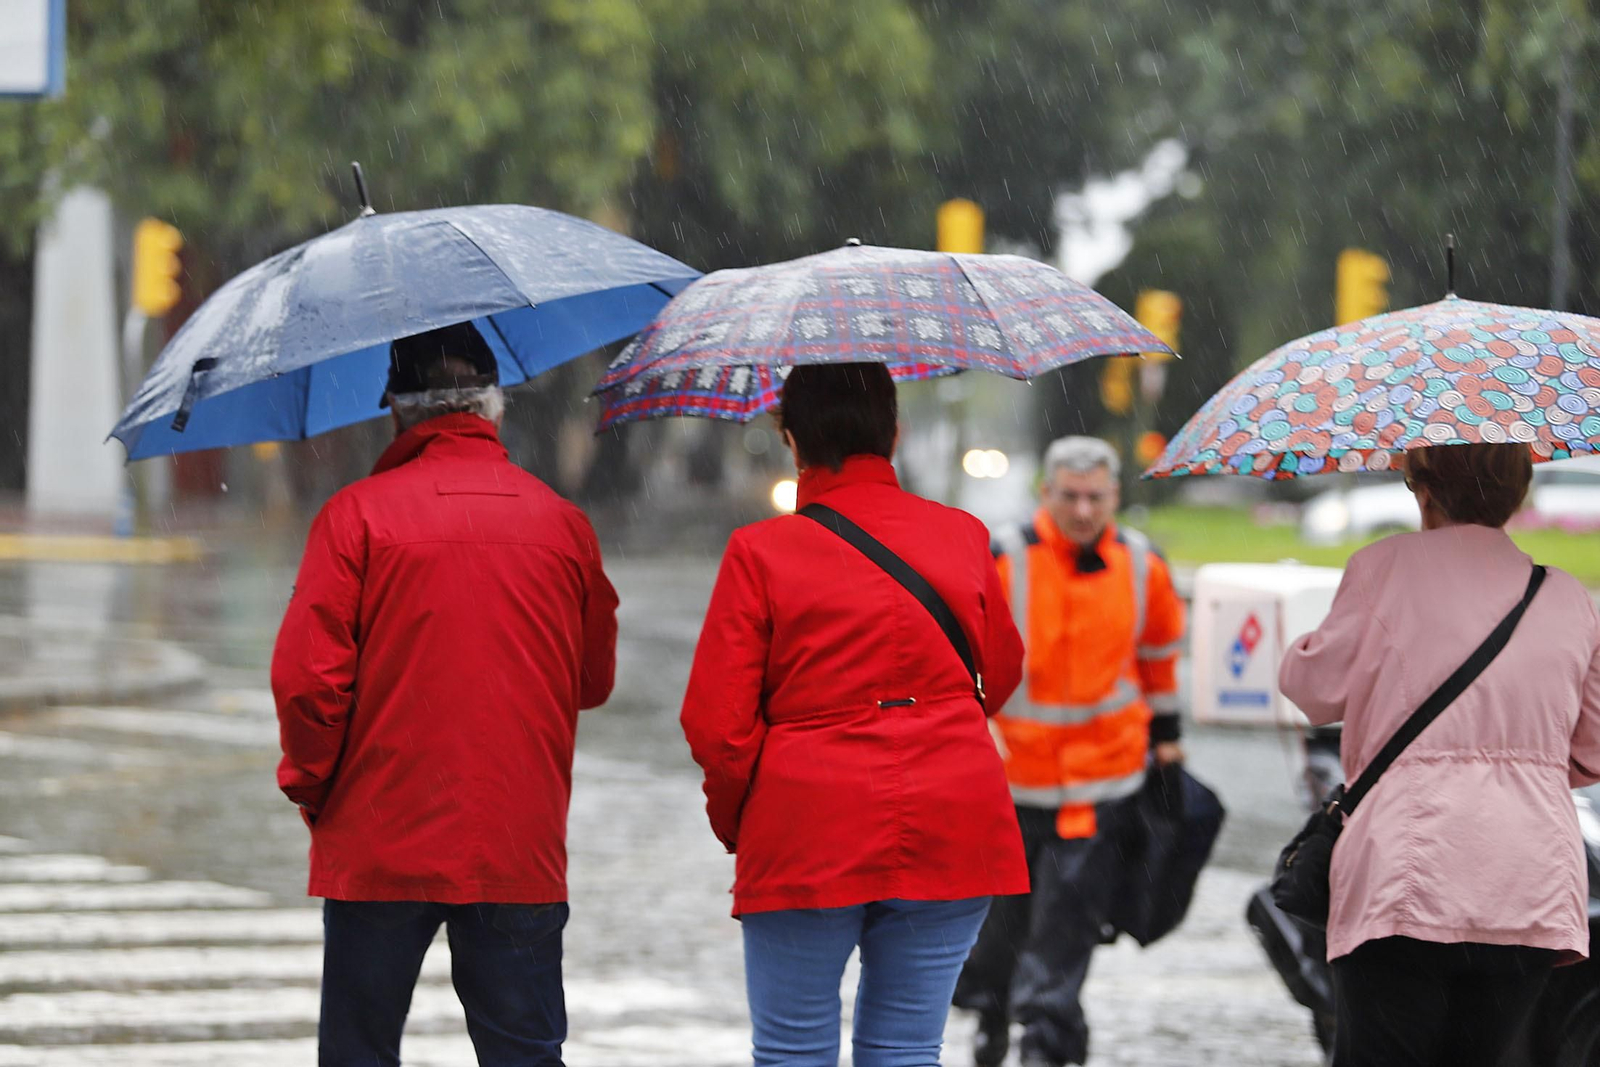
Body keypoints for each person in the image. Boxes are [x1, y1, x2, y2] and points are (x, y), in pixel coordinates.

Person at [272, 321, 619, 1067]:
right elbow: (592, 681)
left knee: (359, 1050)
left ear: (395, 408)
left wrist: (315, 791)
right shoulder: (563, 524)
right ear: (493, 408)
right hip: (514, 841)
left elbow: (307, 686)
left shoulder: (354, 518)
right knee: (524, 1053)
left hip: (376, 838)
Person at [680, 362, 1029, 1067]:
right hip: (953, 817)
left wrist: (742, 817)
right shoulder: (962, 534)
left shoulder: (760, 552)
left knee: (792, 1052)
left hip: (807, 821)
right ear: (894, 433)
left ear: (790, 439)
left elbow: (718, 724)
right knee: (907, 1049)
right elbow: (1004, 669)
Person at [1279, 442, 1600, 1067]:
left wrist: (1304, 645)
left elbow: (1313, 691)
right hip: (1528, 878)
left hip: (1408, 872)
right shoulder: (1565, 597)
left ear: (1423, 491)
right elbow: (1591, 747)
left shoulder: (1383, 569)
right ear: (1519, 492)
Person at [955, 435, 1186, 1067]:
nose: (1083, 511)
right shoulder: (1001, 558)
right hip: (1010, 784)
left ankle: (1047, 1045)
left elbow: (1160, 658)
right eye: (1070, 497)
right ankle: (995, 1008)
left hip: (1100, 786)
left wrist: (1168, 745)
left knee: (1067, 926)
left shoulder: (1142, 564)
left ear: (1115, 496)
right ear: (1045, 494)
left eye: (1095, 498)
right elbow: (961, 657)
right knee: (1000, 929)